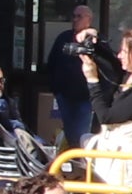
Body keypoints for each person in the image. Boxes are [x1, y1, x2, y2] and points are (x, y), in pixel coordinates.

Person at [40, 12, 107, 144]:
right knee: (70, 133)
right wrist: (56, 88)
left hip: (86, 97)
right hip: (65, 96)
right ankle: (73, 161)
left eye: (79, 16)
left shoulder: (95, 40)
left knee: (82, 135)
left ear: (89, 19)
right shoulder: (64, 37)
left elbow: (106, 63)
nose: (75, 19)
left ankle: (79, 161)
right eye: (73, 16)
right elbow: (52, 62)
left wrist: (94, 38)